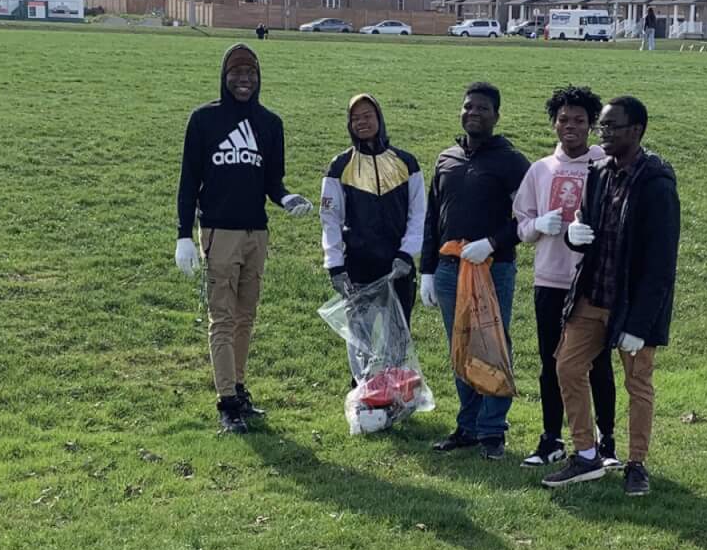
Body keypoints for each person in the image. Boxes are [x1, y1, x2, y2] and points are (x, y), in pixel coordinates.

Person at [543, 95, 679, 498]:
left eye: (611, 126)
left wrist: (639, 325)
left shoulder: (656, 183)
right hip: (592, 294)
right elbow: (586, 225)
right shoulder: (599, 172)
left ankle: (636, 464)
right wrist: (575, 235)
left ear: (636, 130)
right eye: (601, 126)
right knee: (567, 366)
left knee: (638, 383)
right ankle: (586, 454)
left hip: (633, 304)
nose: (603, 133)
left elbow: (661, 264)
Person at [175, 43, 312, 434]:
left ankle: (237, 386)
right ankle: (227, 403)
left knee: (245, 317)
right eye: (236, 72)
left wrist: (287, 199)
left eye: (250, 73)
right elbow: (189, 181)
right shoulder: (204, 120)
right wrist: (184, 234)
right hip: (219, 232)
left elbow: (273, 182)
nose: (244, 80)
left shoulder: (270, 124)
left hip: (257, 233)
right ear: (224, 76)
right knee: (222, 317)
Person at [421, 81, 529, 460]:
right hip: (450, 269)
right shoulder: (446, 159)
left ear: (496, 115)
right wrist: (427, 270)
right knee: (461, 345)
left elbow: (526, 219)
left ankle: (492, 429)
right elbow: (433, 217)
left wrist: (493, 243)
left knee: (492, 345)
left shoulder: (512, 162)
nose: (474, 113)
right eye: (469, 106)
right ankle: (467, 426)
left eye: (483, 108)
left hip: (492, 268)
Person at [513, 85, 615, 469]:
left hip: (593, 281)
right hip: (550, 278)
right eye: (563, 119)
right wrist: (538, 224)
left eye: (579, 120)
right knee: (550, 361)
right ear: (554, 124)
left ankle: (606, 441)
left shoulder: (605, 165)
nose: (570, 126)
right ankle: (551, 438)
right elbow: (521, 225)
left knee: (598, 363)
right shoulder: (540, 170)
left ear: (591, 125)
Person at [320, 92, 426, 348]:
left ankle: (397, 377)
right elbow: (330, 219)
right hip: (358, 268)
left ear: (379, 118)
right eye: (355, 118)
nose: (362, 122)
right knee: (362, 347)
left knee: (398, 346)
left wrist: (407, 253)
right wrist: (335, 265)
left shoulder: (406, 162)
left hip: (398, 268)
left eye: (367, 116)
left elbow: (419, 213)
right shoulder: (339, 166)